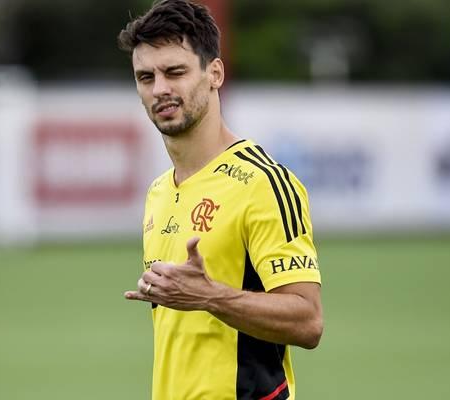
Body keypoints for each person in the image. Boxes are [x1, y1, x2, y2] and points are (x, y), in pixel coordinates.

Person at [118, 1, 323, 399]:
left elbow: (308, 320)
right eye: (146, 77)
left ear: (215, 73)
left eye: (175, 72)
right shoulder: (160, 191)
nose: (160, 89)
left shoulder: (263, 182)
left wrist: (209, 296)